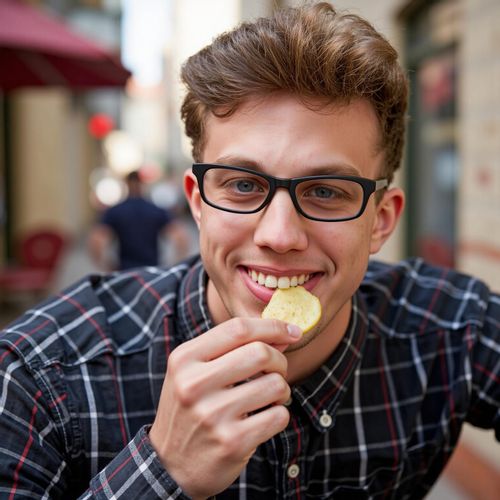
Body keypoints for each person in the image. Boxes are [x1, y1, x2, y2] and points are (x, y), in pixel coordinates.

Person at [0, 3, 498, 499]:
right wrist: (160, 469)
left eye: (325, 190)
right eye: (242, 184)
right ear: (198, 203)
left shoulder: (455, 330)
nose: (279, 236)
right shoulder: (41, 375)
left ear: (381, 220)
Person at [88, 170, 190, 270]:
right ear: (142, 184)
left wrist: (106, 266)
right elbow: (180, 238)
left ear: (126, 184)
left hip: (125, 271)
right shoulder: (155, 210)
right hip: (151, 271)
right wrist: (173, 265)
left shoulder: (115, 211)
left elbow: (97, 241)